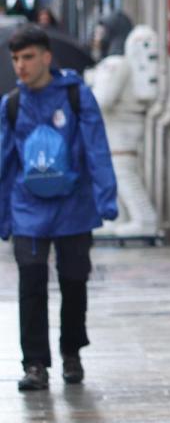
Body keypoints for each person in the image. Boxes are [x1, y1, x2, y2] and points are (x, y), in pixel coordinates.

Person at [0, 24, 118, 391]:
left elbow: (96, 147)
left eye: (28, 57)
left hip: (73, 207)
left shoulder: (76, 97)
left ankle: (71, 353)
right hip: (28, 210)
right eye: (16, 59)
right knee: (31, 283)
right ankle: (34, 364)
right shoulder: (12, 105)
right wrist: (3, 216)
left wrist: (106, 197)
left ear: (47, 58)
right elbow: (4, 163)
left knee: (73, 282)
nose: (21, 66)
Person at [87, 24, 159, 238]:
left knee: (124, 174)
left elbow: (103, 99)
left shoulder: (116, 64)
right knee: (116, 174)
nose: (97, 38)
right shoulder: (118, 64)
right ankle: (119, 218)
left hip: (122, 128)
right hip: (120, 126)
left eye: (101, 32)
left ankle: (145, 219)